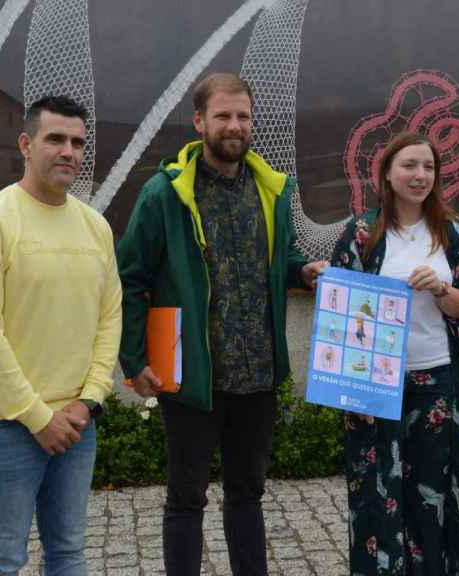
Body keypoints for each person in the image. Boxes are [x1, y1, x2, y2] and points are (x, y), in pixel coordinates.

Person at [116, 72, 326, 575]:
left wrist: (303, 270)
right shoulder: (164, 194)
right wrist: (134, 359)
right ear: (199, 121)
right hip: (191, 377)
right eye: (223, 116)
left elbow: (284, 254)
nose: (234, 126)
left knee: (247, 496)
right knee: (186, 499)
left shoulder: (272, 190)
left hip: (258, 375)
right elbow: (130, 278)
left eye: (243, 116)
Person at [0, 95, 121, 576]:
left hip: (75, 424)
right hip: (4, 425)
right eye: (55, 139)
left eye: (77, 142)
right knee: (3, 558)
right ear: (26, 145)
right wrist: (36, 417)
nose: (68, 151)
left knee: (69, 554)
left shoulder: (96, 227)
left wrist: (88, 400)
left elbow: (110, 318)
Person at [330, 132, 459, 575]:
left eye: (428, 167)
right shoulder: (362, 232)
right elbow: (339, 311)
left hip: (436, 381)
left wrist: (441, 289)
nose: (420, 176)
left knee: (433, 495)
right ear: (388, 173)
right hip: (374, 385)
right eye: (410, 166)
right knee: (375, 498)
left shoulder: (451, 232)